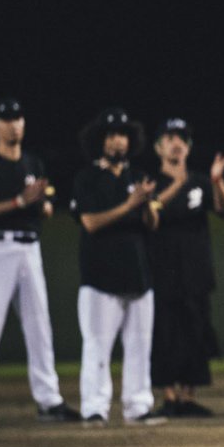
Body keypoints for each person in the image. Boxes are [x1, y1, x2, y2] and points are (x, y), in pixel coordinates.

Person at [0, 98, 80, 426]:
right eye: (6, 118)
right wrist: (18, 201)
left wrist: (41, 203)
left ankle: (49, 399)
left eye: (18, 118)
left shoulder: (34, 163)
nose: (14, 123)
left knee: (39, 326)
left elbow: (46, 207)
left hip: (30, 249)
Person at [70, 108, 164, 426]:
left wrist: (148, 204)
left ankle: (138, 406)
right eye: (111, 135)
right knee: (98, 346)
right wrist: (130, 204)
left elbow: (152, 223)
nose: (118, 141)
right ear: (99, 141)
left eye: (122, 134)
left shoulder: (136, 177)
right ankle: (94, 407)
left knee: (140, 345)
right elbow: (90, 222)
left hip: (138, 274)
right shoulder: (87, 178)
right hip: (99, 278)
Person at [148, 118, 224, 417]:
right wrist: (177, 184)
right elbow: (150, 208)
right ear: (158, 147)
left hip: (196, 270)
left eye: (182, 138)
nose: (176, 143)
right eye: (169, 137)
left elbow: (223, 209)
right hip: (163, 269)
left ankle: (188, 396)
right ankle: (169, 396)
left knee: (196, 331)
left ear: (189, 146)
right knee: (166, 333)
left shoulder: (199, 181)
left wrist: (218, 181)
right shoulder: (151, 183)